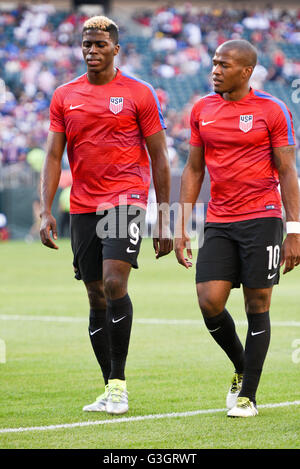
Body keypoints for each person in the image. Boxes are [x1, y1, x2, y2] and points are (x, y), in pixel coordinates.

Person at [40, 16, 173, 415]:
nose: (92, 51)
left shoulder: (139, 93)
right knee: (95, 294)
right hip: (82, 205)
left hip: (125, 199)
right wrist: (45, 210)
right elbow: (52, 155)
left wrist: (164, 218)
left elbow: (160, 157)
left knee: (115, 283)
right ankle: (111, 386)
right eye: (87, 44)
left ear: (116, 49)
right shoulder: (65, 95)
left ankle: (118, 387)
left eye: (100, 44)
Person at [175, 39, 300, 417]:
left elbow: (287, 171)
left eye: (224, 64)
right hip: (219, 219)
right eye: (214, 63)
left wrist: (294, 228)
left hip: (262, 218)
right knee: (209, 300)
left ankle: (248, 395)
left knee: (256, 304)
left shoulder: (272, 110)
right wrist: (181, 223)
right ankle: (242, 366)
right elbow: (194, 169)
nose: (215, 70)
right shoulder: (202, 109)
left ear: (246, 71)